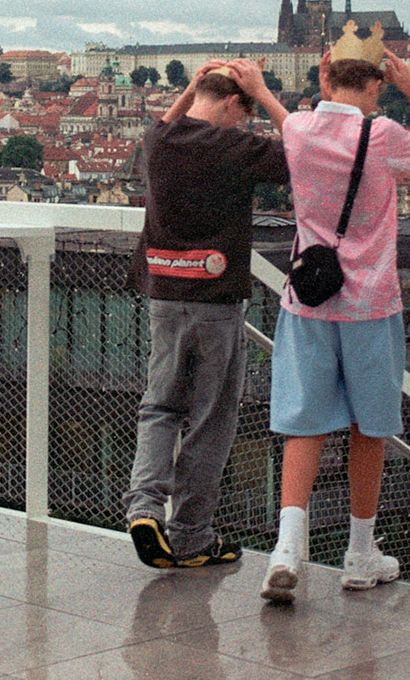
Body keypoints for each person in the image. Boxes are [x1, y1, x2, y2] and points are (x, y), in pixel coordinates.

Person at [260, 22, 410, 602]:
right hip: (370, 303)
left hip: (308, 302)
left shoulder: (298, 129)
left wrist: (277, 89)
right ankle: (359, 553)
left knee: (304, 424)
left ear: (326, 76)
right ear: (378, 83)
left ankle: (286, 550)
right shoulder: (385, 134)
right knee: (369, 428)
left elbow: (290, 118)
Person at [124, 57, 292, 569]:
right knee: (210, 419)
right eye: (242, 114)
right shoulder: (237, 147)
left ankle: (144, 507)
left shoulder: (159, 140)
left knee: (159, 406)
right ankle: (191, 535)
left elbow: (165, 121)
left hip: (162, 289)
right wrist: (265, 94)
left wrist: (192, 87)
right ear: (233, 103)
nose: (241, 124)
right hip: (215, 296)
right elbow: (306, 151)